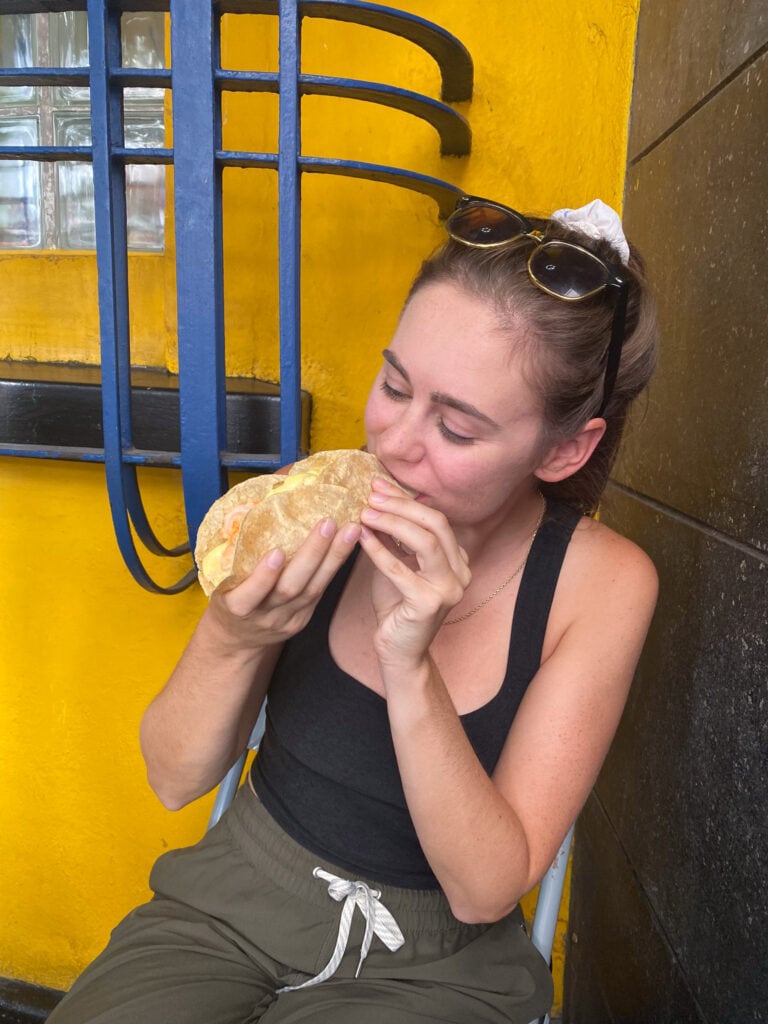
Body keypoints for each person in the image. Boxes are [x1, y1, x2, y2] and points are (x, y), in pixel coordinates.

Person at [48, 196, 659, 1024]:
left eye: (458, 427)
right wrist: (232, 634)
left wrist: (410, 661)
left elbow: (484, 891)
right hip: (230, 902)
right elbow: (175, 776)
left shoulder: (602, 585)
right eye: (394, 384)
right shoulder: (313, 513)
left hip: (441, 966)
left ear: (564, 448)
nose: (394, 441)